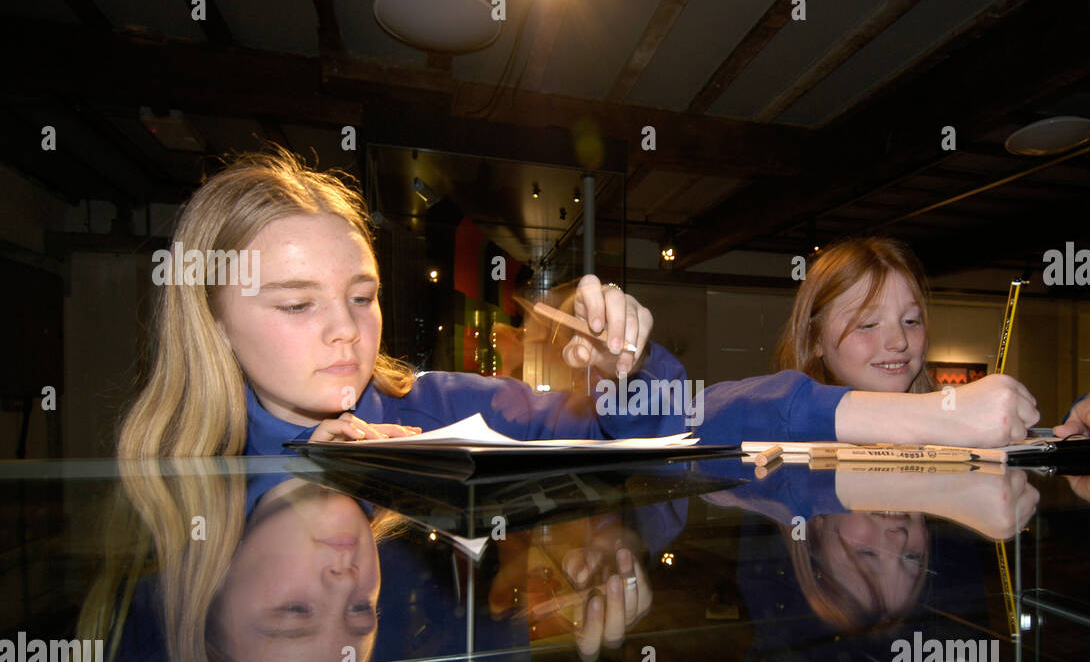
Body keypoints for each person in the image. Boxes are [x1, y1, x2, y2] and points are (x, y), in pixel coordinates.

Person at [118, 148, 1036, 459]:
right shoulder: (167, 475)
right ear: (210, 314)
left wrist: (628, 374)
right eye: (293, 304)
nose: (344, 332)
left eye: (362, 296)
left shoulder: (430, 407)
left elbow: (668, 432)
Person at [773, 236, 1090, 444]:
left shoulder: (965, 441)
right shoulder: (775, 431)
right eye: (866, 324)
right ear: (815, 338)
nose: (898, 342)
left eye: (911, 320)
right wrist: (930, 417)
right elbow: (716, 409)